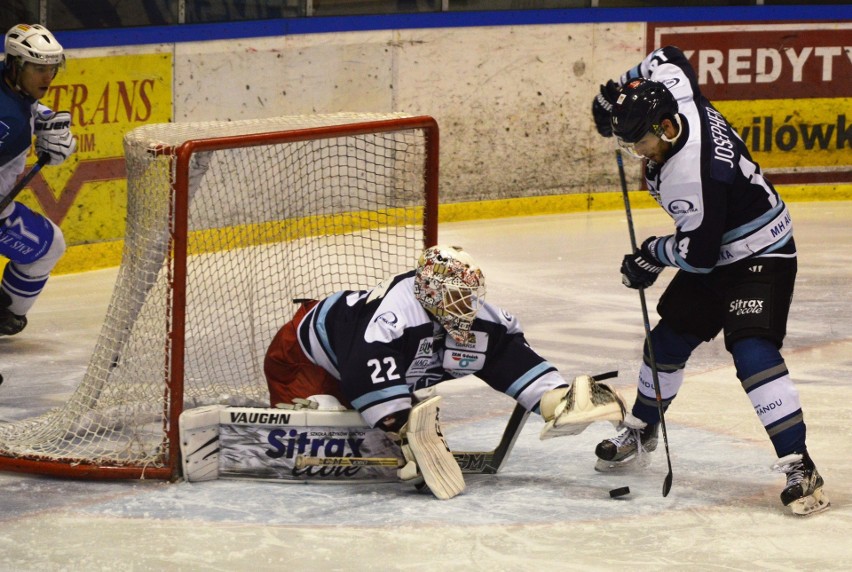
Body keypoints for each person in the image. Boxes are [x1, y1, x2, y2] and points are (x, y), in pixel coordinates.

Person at [590, 45, 828, 515]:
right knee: (666, 344)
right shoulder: (675, 95)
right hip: (719, 248)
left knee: (751, 350)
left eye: (639, 140)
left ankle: (802, 466)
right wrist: (621, 91)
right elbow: (670, 56)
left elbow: (698, 255)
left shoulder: (692, 175)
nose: (636, 151)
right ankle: (641, 430)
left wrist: (652, 254)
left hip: (762, 252)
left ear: (664, 127)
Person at [265, 244, 625, 499]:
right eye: (455, 296)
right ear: (428, 291)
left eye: (469, 294)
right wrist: (403, 431)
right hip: (305, 357)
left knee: (374, 429)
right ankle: (323, 410)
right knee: (324, 419)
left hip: (362, 361)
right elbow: (364, 365)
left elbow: (507, 357)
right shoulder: (395, 315)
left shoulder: (476, 316)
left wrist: (558, 400)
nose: (465, 305)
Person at [1, 24, 76, 336]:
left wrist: (42, 118)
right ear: (17, 66)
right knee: (49, 247)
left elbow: (24, 106)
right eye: (38, 69)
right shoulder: (12, 125)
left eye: (52, 68)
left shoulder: (10, 85)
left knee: (50, 244)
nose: (48, 78)